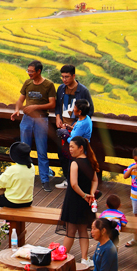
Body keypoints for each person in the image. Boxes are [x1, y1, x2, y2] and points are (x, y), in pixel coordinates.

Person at [10, 60, 56, 191]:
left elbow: (52, 104)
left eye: (31, 71)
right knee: (24, 150)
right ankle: (23, 179)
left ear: (38, 71)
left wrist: (36, 107)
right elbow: (20, 99)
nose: (29, 73)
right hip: (26, 119)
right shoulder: (27, 83)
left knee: (42, 151)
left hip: (41, 119)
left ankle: (45, 180)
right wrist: (17, 110)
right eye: (28, 71)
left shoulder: (49, 85)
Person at [56, 136, 99, 267]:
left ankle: (62, 259)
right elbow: (95, 181)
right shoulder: (90, 161)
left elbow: (74, 184)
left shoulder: (75, 163)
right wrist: (91, 194)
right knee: (83, 231)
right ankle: (85, 258)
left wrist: (85, 195)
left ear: (81, 148)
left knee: (70, 231)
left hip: (75, 200)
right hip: (85, 201)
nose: (70, 150)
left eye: (72, 147)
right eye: (69, 147)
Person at [54, 64, 94, 188]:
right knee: (63, 155)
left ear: (73, 76)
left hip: (75, 129)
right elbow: (57, 106)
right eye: (62, 77)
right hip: (64, 128)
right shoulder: (61, 89)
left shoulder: (83, 91)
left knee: (75, 156)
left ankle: (76, 181)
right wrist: (58, 117)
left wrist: (78, 122)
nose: (64, 79)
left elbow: (90, 110)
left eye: (67, 77)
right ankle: (68, 179)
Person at [56, 99, 93, 189]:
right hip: (82, 148)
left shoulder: (81, 124)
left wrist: (64, 133)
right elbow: (78, 132)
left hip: (78, 150)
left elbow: (73, 140)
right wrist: (71, 128)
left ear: (79, 112)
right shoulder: (85, 119)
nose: (73, 109)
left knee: (73, 167)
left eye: (75, 107)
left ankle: (71, 184)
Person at [0, 142, 34, 213]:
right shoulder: (32, 167)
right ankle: (7, 224)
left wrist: (5, 172)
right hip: (28, 201)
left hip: (13, 201)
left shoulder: (12, 169)